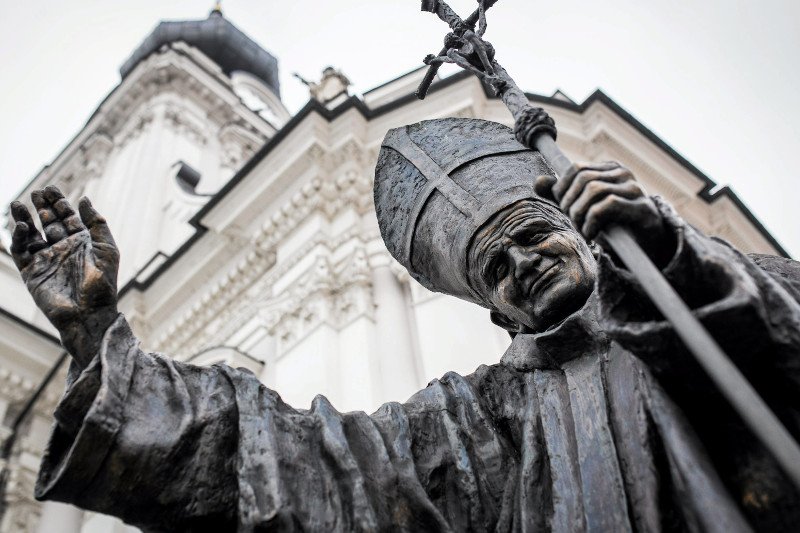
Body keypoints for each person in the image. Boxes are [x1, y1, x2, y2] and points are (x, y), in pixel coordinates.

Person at [9, 117, 800, 531]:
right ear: (497, 313)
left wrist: (675, 260)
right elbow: (300, 462)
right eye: (497, 268)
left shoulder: (713, 273)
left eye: (531, 235)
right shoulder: (484, 421)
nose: (523, 263)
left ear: (579, 223)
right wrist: (96, 335)